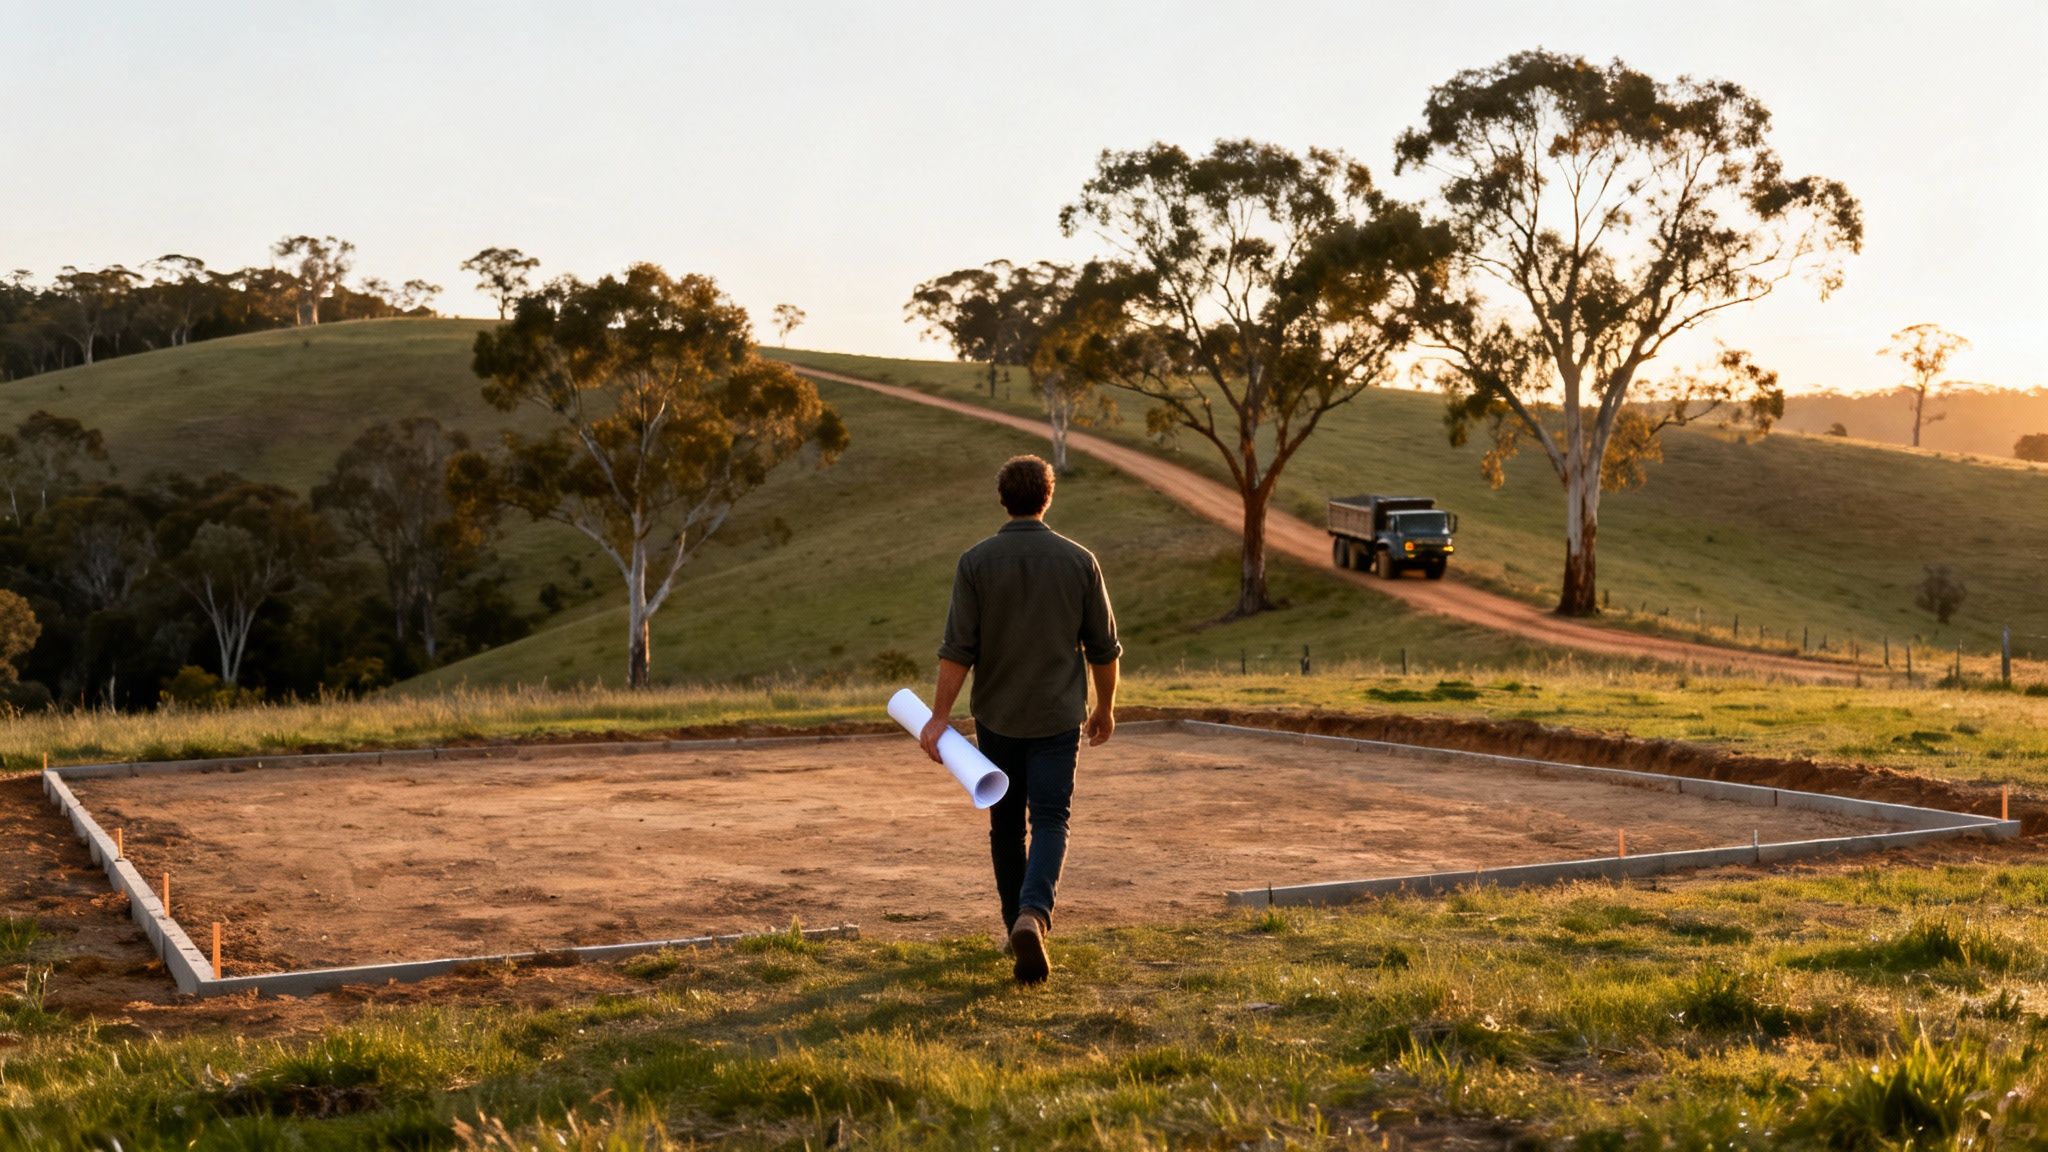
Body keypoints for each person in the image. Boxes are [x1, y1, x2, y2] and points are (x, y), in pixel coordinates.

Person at [920, 454, 1120, 985]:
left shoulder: (976, 562)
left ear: (1003, 499)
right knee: (1051, 819)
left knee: (1005, 827)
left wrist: (939, 718)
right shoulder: (1080, 561)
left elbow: (957, 650)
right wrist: (1105, 707)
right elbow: (1104, 649)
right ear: (1047, 497)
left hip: (998, 720)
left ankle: (1015, 925)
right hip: (1057, 719)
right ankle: (1033, 915)